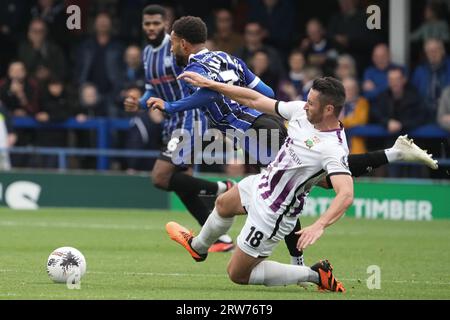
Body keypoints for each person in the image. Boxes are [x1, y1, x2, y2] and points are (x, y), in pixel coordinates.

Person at [149, 15, 438, 268]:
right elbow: (264, 89)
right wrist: (237, 97)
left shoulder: (195, 68)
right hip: (264, 122)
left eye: (173, 42)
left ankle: (295, 262)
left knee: (289, 189)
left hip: (253, 131)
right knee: (315, 179)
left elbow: (210, 95)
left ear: (183, 42)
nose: (172, 47)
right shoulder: (228, 58)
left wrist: (171, 106)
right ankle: (201, 247)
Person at [166, 77, 352, 291]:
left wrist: (319, 225)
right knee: (224, 204)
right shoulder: (301, 112)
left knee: (237, 274)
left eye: (311, 103)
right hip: (262, 183)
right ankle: (198, 247)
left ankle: (316, 274)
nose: (306, 105)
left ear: (328, 109)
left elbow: (345, 194)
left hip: (273, 212)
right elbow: (255, 99)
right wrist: (212, 85)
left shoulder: (333, 148)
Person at [123, 5, 234, 253]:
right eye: (147, 23)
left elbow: (196, 79)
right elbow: (154, 88)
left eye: (155, 23)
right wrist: (139, 103)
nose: (151, 27)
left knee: (160, 178)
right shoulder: (147, 54)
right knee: (183, 184)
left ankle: (223, 188)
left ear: (165, 23)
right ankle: (218, 238)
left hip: (190, 118)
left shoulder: (176, 48)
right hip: (171, 120)